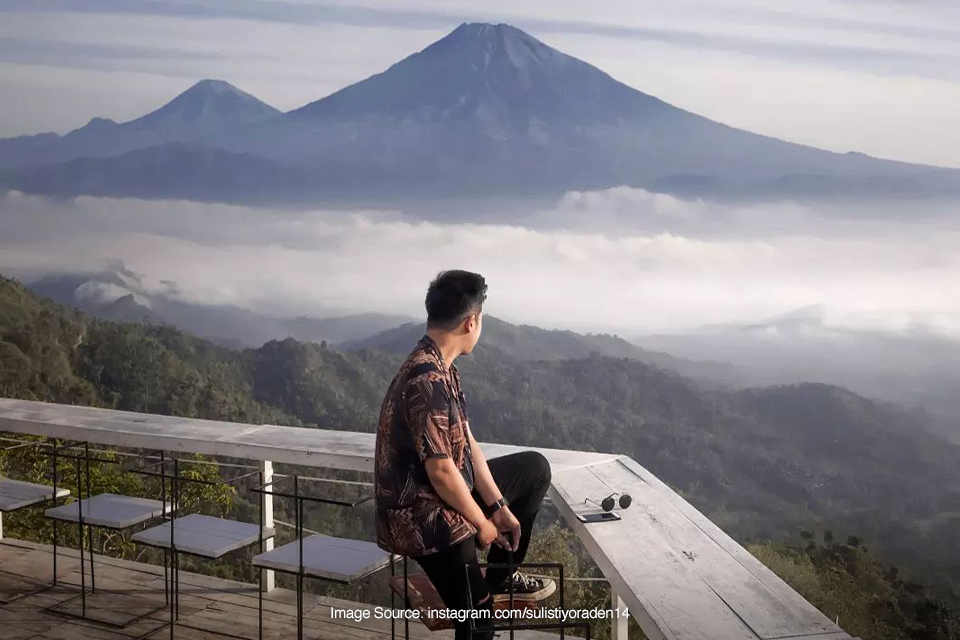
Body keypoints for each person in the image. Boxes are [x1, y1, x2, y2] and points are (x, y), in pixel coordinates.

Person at [374, 269, 555, 640]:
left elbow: (469, 446)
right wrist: (483, 524)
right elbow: (440, 472)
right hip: (422, 516)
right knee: (478, 620)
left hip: (441, 495)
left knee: (535, 469)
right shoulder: (427, 380)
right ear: (471, 321)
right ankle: (483, 595)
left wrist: (499, 505)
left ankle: (499, 578)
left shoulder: (444, 369)